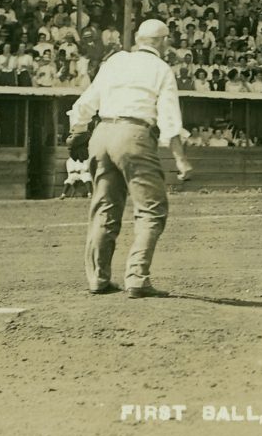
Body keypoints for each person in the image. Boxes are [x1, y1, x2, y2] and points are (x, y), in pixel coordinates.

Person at [68, 18, 193, 299]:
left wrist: (77, 129)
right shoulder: (162, 69)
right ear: (163, 42)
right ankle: (136, 277)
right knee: (151, 209)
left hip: (102, 133)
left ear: (138, 38)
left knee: (104, 208)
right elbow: (170, 119)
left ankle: (98, 279)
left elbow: (86, 102)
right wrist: (181, 159)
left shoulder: (116, 61)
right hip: (134, 133)